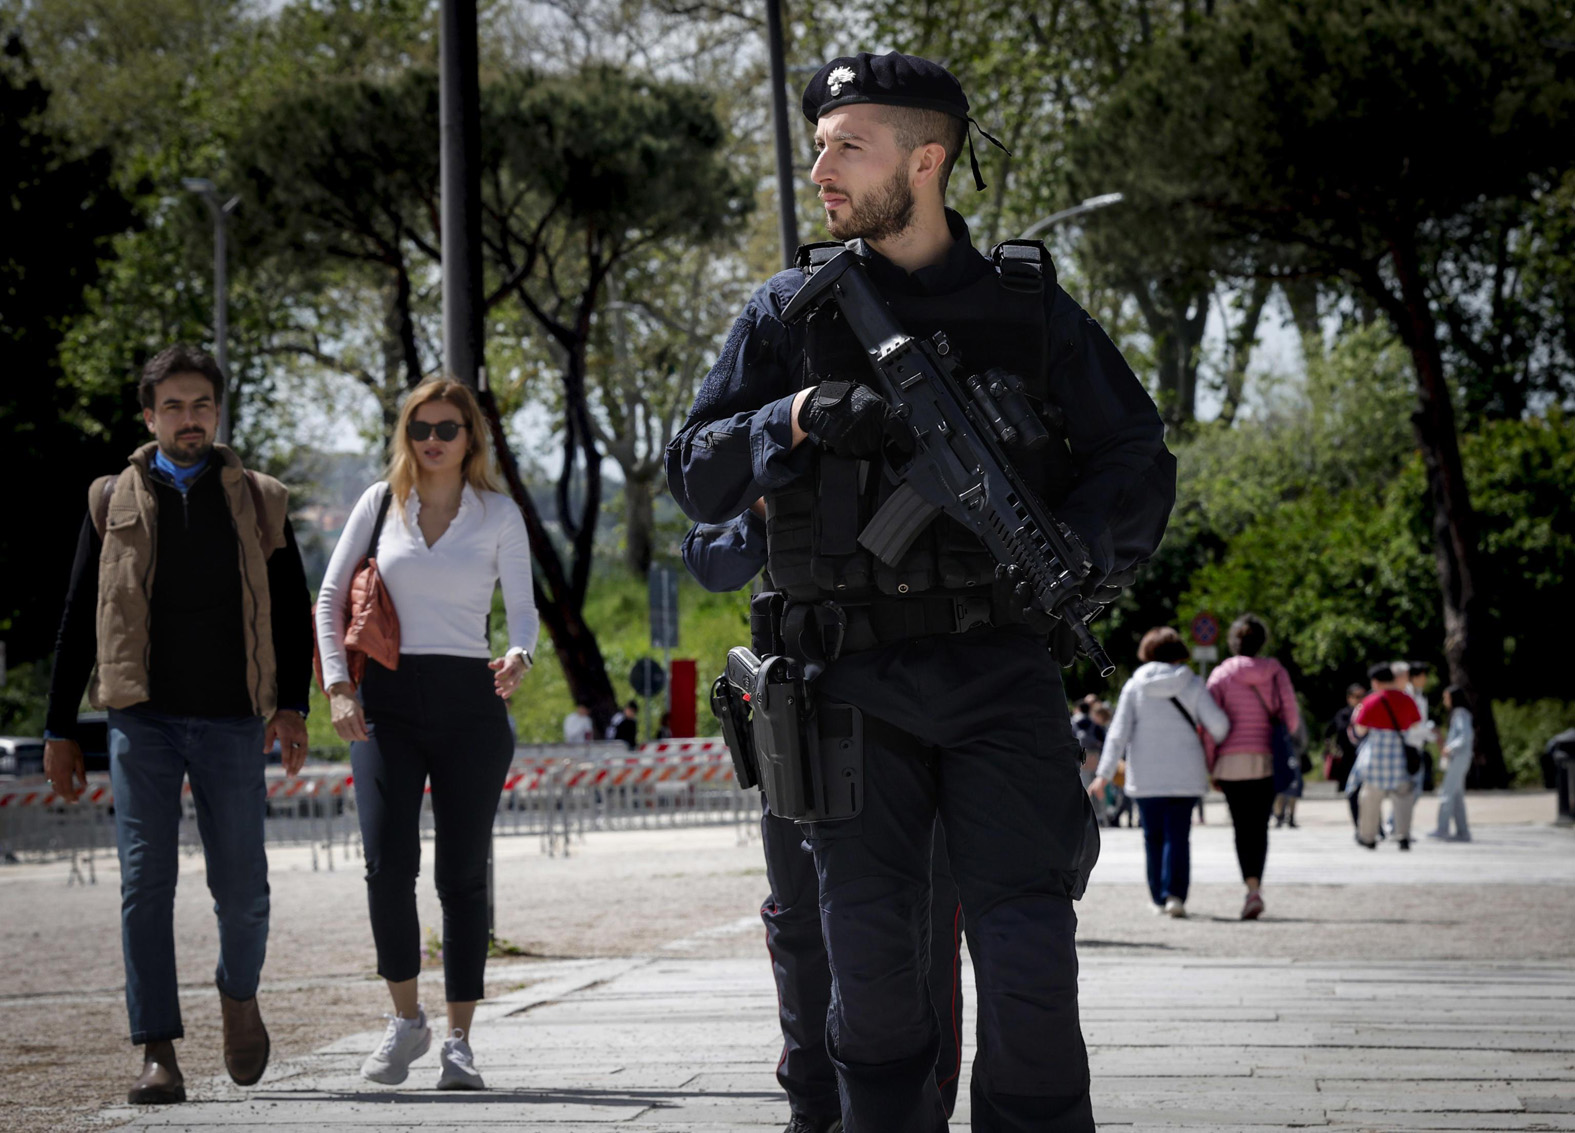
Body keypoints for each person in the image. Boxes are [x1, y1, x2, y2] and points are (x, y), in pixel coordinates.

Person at [666, 50, 1175, 1132]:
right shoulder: (789, 313)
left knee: (1031, 955)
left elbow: (1137, 451)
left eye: (848, 144)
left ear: (928, 158)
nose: (822, 170)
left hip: (1000, 666)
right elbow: (695, 469)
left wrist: (1081, 548)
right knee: (874, 972)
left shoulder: (1030, 310)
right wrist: (794, 415)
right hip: (849, 678)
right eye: (816, 148)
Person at [42, 345, 313, 1104]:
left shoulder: (262, 499)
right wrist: (59, 725)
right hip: (141, 720)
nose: (187, 419)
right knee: (143, 884)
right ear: (148, 414)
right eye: (173, 406)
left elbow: (292, 612)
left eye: (200, 405)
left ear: (217, 412)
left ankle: (238, 995)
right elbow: (76, 616)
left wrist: (292, 704)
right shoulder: (109, 498)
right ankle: (156, 1048)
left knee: (244, 889)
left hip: (232, 721)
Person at [685, 507, 966, 1131]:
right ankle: (813, 1111)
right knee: (802, 919)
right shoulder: (774, 414)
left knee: (928, 919)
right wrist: (765, 505)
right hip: (805, 713)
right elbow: (711, 560)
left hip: (923, 702)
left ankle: (922, 1112)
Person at [316, 378, 538, 1091]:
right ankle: (404, 1018)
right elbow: (328, 596)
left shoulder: (498, 513)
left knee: (462, 875)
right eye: (420, 429)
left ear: (470, 436)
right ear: (405, 437)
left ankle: (460, 1039)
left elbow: (524, 612)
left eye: (448, 427)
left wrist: (520, 653)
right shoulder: (379, 503)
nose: (433, 440)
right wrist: (338, 686)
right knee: (387, 861)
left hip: (470, 706)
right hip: (385, 703)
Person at [1089, 628, 1229, 918]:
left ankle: (1157, 896)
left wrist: (1103, 775)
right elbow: (1219, 726)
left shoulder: (1135, 686)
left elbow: (1117, 735)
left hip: (1146, 777)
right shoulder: (1192, 684)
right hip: (1186, 774)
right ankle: (1175, 895)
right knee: (1179, 836)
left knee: (1153, 837)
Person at [1206, 614, 1300, 920]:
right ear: (1262, 642)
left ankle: (1248, 885)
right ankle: (1254, 890)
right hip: (1265, 761)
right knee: (1259, 828)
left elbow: (1208, 725)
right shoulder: (1275, 673)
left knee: (1240, 828)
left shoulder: (1221, 675)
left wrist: (1211, 764)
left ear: (1234, 642)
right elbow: (1293, 718)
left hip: (1230, 763)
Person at [1349, 664, 1423, 850]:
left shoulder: (1371, 701)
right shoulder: (1407, 699)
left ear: (1375, 682)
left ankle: (1368, 837)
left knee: (1370, 798)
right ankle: (1403, 836)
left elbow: (1360, 729)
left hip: (1377, 757)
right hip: (1399, 756)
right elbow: (1415, 725)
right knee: (1403, 797)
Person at [1428, 685, 1475, 841]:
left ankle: (1442, 829)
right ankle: (1463, 832)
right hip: (1461, 757)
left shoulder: (1460, 713)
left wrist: (1449, 747)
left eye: (1446, 697)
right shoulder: (1460, 714)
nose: (1444, 701)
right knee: (1456, 796)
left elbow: (1465, 736)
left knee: (1446, 793)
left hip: (1458, 757)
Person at [1325, 683, 1367, 833]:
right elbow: (1331, 732)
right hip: (1349, 760)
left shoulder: (1370, 711)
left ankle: (1375, 826)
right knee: (1353, 793)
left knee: (1370, 794)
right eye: (1357, 696)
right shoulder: (1343, 714)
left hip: (1367, 758)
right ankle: (1358, 825)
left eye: (1363, 696)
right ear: (1349, 698)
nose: (1360, 699)